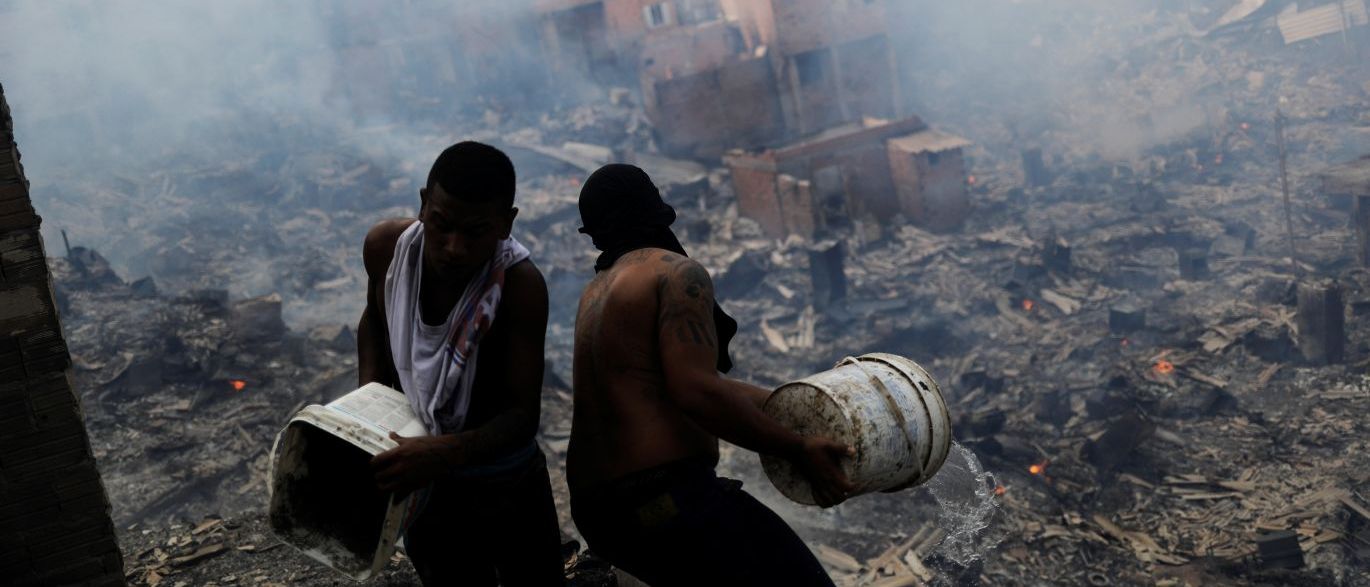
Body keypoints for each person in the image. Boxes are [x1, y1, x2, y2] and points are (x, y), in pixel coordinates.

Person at [567, 164, 856, 587]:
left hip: (600, 512)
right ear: (656, 208)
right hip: (663, 497)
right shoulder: (675, 273)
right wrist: (796, 447)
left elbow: (679, 382)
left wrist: (798, 400)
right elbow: (696, 392)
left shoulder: (596, 294)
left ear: (594, 231)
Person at [357, 141, 563, 586]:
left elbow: (522, 418)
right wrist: (368, 412)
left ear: (506, 223)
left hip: (504, 483)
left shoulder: (519, 288)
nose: (454, 247)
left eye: (475, 232)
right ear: (423, 205)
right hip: (424, 483)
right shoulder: (386, 249)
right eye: (441, 225)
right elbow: (374, 322)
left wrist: (445, 453)